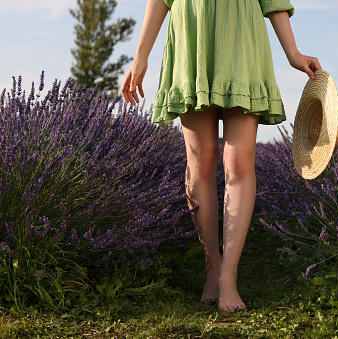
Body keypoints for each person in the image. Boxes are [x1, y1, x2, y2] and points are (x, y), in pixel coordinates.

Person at [121, 0, 321, 312]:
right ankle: (212, 265)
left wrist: (293, 53)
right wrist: (140, 57)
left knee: (238, 161)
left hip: (242, 40)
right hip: (192, 38)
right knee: (200, 160)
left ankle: (229, 276)